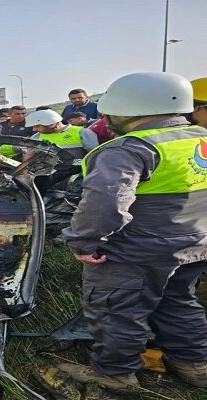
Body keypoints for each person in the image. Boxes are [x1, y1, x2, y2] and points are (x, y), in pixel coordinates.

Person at [60, 72, 207, 392]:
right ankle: (193, 365)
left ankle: (115, 373)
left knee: (116, 310)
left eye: (111, 112)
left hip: (136, 249)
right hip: (195, 243)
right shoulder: (201, 137)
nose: (107, 119)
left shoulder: (127, 148)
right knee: (179, 302)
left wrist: (84, 242)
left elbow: (106, 204)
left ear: (129, 107)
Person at [23, 109, 98, 194]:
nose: (34, 129)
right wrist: (25, 174)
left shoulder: (82, 132)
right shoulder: (36, 137)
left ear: (51, 124)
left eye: (37, 126)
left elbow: (94, 155)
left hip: (77, 173)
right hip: (47, 174)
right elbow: (29, 155)